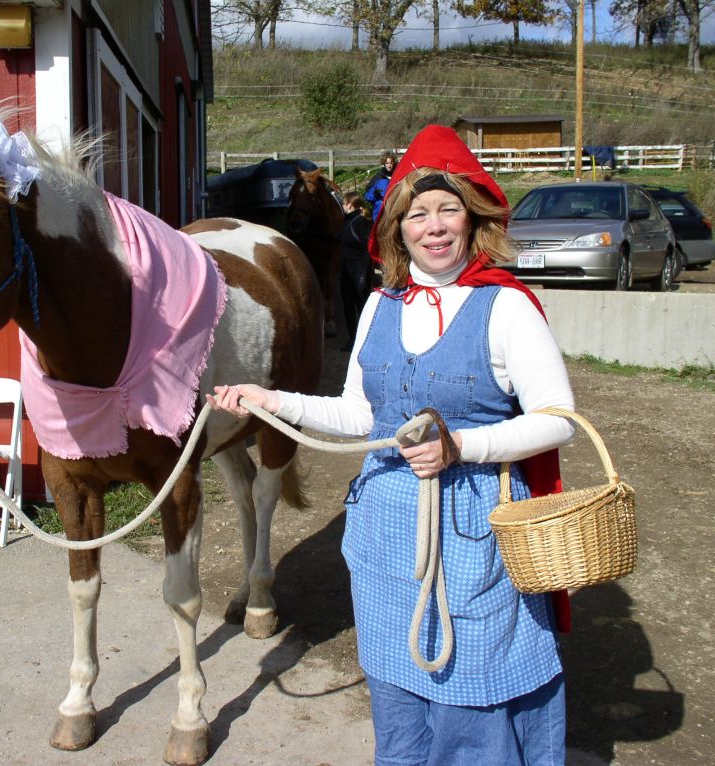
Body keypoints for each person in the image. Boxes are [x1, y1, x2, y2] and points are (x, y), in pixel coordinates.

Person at [208, 124, 576, 765]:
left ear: (472, 218)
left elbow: (558, 419)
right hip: (382, 531)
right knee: (396, 686)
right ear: (397, 229)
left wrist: (461, 446)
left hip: (472, 529)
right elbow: (359, 416)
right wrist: (270, 400)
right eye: (417, 213)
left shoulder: (506, 307)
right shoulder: (380, 304)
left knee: (472, 685)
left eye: (447, 209)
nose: (433, 226)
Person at [338, 191, 374, 351]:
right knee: (347, 305)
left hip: (360, 269)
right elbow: (337, 239)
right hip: (346, 269)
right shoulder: (346, 221)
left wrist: (363, 275)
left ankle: (367, 339)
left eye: (344, 203)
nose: (342, 206)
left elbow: (368, 249)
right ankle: (353, 338)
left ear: (350, 204)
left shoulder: (361, 222)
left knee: (362, 305)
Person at [364, 150, 397, 221]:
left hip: (394, 211)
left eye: (391, 163)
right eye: (387, 163)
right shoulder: (378, 177)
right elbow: (367, 196)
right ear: (384, 163)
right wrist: (375, 194)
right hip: (379, 213)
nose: (389, 165)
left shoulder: (398, 175)